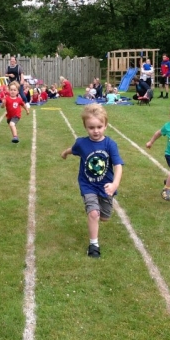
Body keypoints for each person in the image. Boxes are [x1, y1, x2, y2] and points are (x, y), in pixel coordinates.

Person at [61, 104, 123, 258]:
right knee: (94, 213)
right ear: (85, 127)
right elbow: (73, 149)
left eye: (99, 127)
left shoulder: (110, 144)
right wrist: (65, 153)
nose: (96, 131)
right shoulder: (82, 143)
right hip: (87, 184)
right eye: (91, 127)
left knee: (104, 217)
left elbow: (118, 165)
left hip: (106, 186)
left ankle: (96, 211)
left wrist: (115, 184)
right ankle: (93, 244)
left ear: (105, 125)